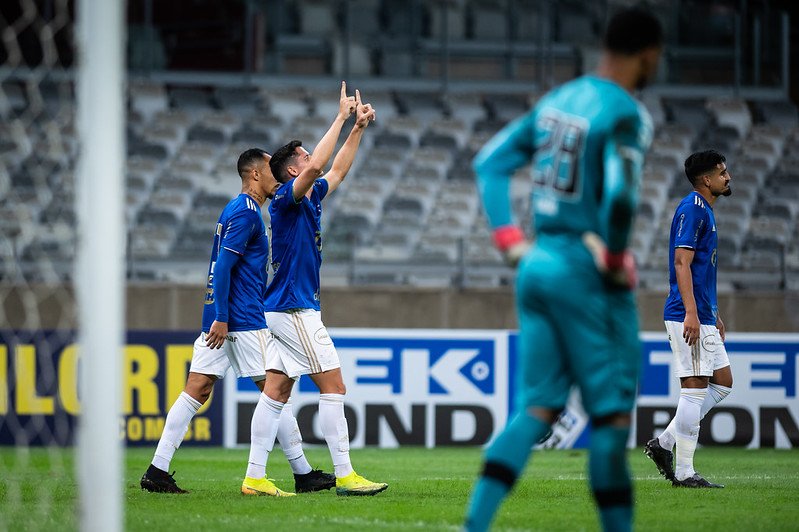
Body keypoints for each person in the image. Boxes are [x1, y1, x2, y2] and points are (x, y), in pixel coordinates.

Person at [464, 7, 663, 532]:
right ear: (649, 54)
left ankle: (475, 526)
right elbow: (621, 198)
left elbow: (490, 162)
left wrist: (510, 240)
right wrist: (617, 257)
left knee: (536, 409)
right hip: (587, 270)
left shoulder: (559, 100)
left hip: (537, 264)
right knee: (612, 417)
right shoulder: (627, 113)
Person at [140, 148, 335, 496]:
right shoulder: (247, 214)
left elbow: (219, 265)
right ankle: (303, 474)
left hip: (220, 320)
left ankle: (157, 468)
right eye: (270, 170)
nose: (277, 176)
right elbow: (225, 268)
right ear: (256, 174)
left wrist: (215, 315)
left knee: (195, 391)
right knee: (277, 392)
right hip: (242, 320)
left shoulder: (233, 209)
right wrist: (223, 318)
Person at [243, 87, 387, 497]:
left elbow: (336, 171)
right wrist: (339, 118)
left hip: (283, 308)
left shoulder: (309, 197)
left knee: (277, 392)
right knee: (334, 387)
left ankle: (254, 477)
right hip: (293, 309)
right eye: (304, 159)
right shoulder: (285, 202)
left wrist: (357, 129)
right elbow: (321, 163)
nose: (312, 162)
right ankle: (345, 476)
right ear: (292, 172)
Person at [644, 150, 733, 488]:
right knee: (694, 388)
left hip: (703, 313)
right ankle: (684, 472)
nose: (727, 177)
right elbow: (681, 262)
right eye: (722, 172)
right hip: (687, 314)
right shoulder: (693, 210)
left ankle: (663, 443)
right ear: (706, 179)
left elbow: (699, 271)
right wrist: (693, 314)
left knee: (722, 382)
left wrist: (714, 313)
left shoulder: (704, 211)